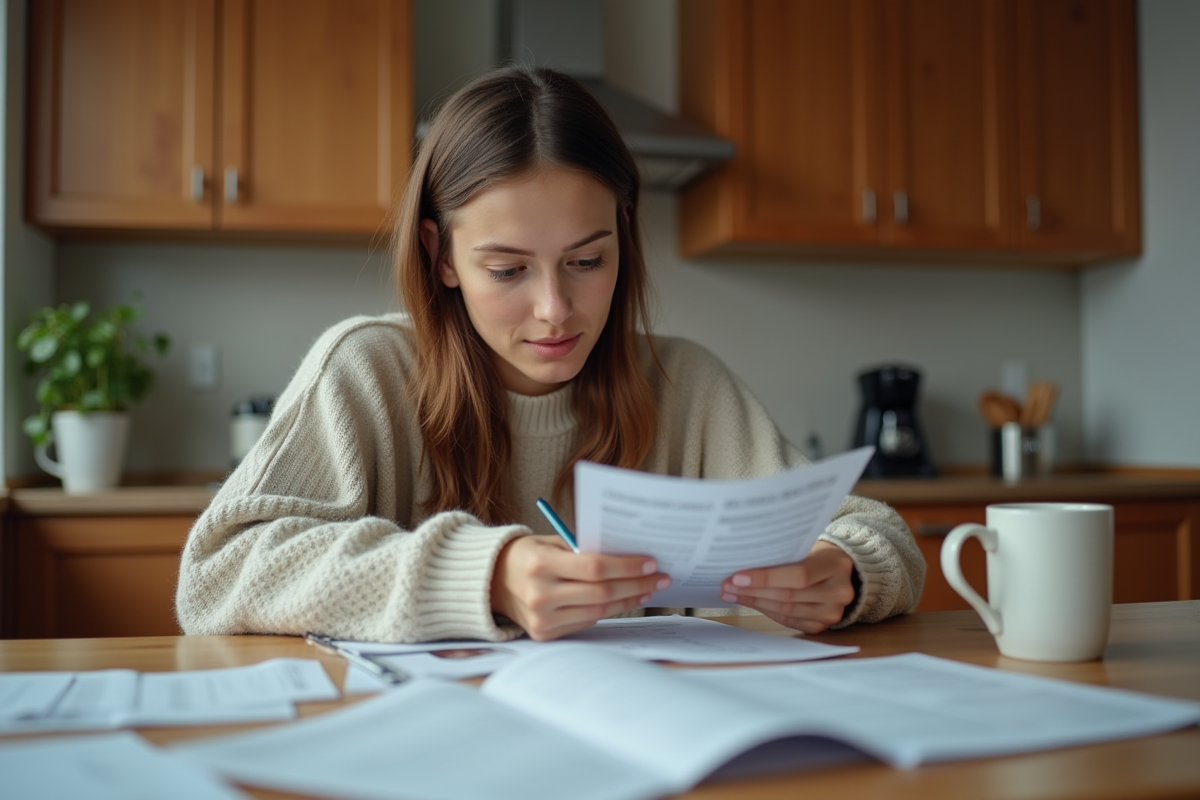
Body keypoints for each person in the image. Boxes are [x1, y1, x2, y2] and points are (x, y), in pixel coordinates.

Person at [175, 66, 924, 644]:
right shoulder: (365, 369)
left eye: (586, 261)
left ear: (623, 235)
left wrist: (843, 571)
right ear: (440, 255)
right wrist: (488, 575)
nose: (555, 309)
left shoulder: (685, 384)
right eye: (507, 270)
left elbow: (878, 533)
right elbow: (216, 576)